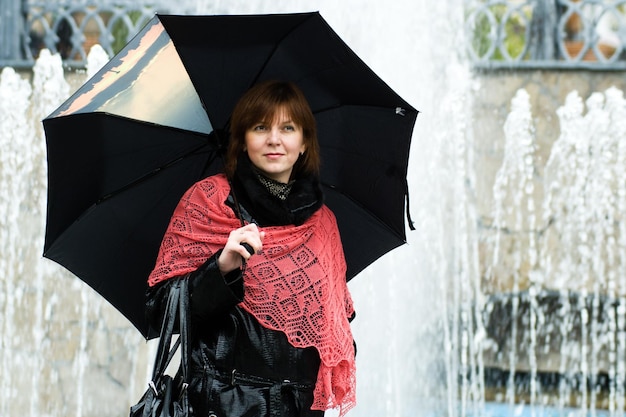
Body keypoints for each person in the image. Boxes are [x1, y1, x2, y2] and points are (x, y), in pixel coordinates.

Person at [146, 80, 356, 417]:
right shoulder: (209, 202)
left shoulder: (322, 222)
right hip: (220, 403)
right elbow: (159, 310)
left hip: (299, 407)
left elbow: (335, 324)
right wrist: (220, 269)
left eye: (287, 128)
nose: (274, 139)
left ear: (303, 143)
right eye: (261, 127)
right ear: (243, 140)